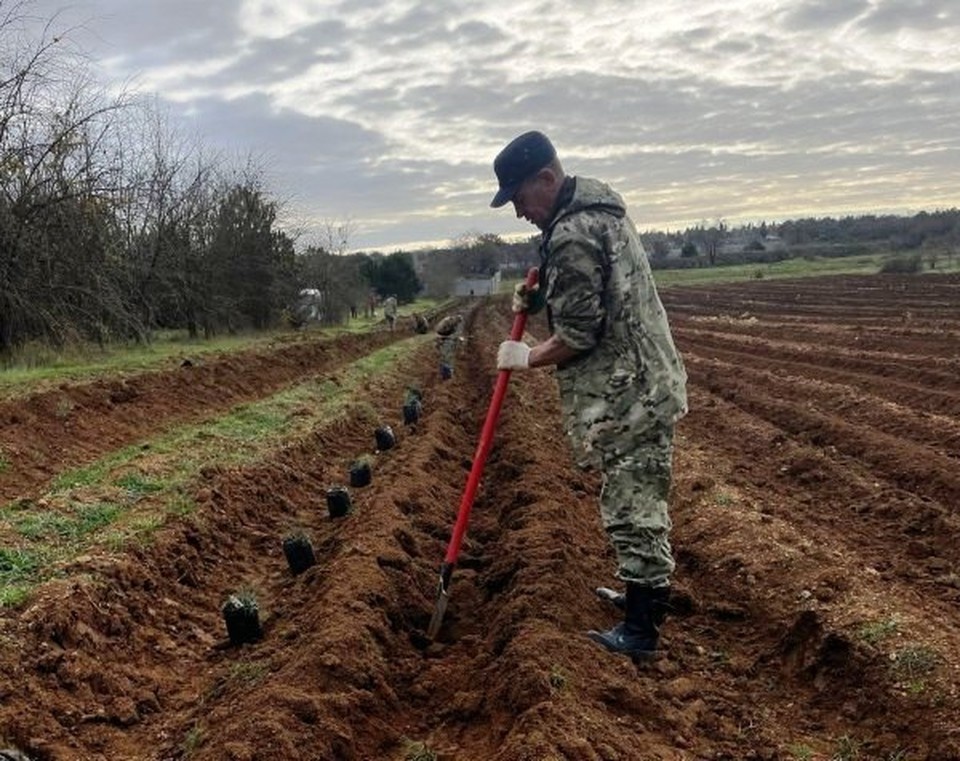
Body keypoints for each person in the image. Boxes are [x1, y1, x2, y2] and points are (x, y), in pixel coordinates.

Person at [490, 130, 688, 661]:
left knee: (633, 505)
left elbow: (580, 332)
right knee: (631, 496)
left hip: (630, 395)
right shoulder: (595, 212)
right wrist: (541, 295)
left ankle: (641, 632)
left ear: (547, 180)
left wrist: (525, 356)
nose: (518, 212)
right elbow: (593, 293)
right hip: (640, 382)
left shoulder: (573, 232)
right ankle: (638, 596)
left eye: (518, 198)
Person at [434, 313, 464, 379]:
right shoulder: (447, 322)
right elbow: (439, 331)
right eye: (458, 321)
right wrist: (443, 339)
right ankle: (445, 373)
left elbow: (455, 333)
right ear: (456, 319)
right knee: (445, 356)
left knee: (447, 356)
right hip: (442, 336)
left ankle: (446, 372)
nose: (458, 323)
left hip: (446, 338)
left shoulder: (454, 323)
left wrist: (457, 338)